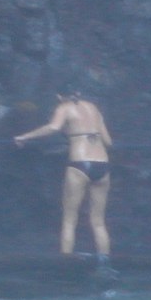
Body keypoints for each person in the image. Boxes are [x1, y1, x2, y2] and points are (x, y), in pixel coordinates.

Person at [13, 92, 114, 256]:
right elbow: (109, 142)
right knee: (98, 222)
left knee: (69, 220)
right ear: (78, 94)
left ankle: (65, 264)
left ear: (60, 96)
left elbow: (53, 127)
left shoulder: (64, 107)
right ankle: (105, 266)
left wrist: (25, 136)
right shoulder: (94, 108)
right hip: (102, 164)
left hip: (79, 163)